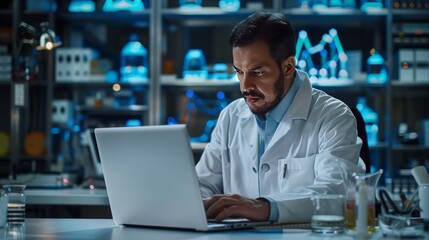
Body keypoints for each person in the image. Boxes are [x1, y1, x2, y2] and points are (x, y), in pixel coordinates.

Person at [195, 12, 365, 224]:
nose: (244, 86)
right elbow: (202, 183)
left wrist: (265, 208)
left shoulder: (333, 116)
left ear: (288, 67)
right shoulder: (231, 116)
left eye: (257, 72)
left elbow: (338, 193)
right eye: (239, 71)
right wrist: (197, 204)